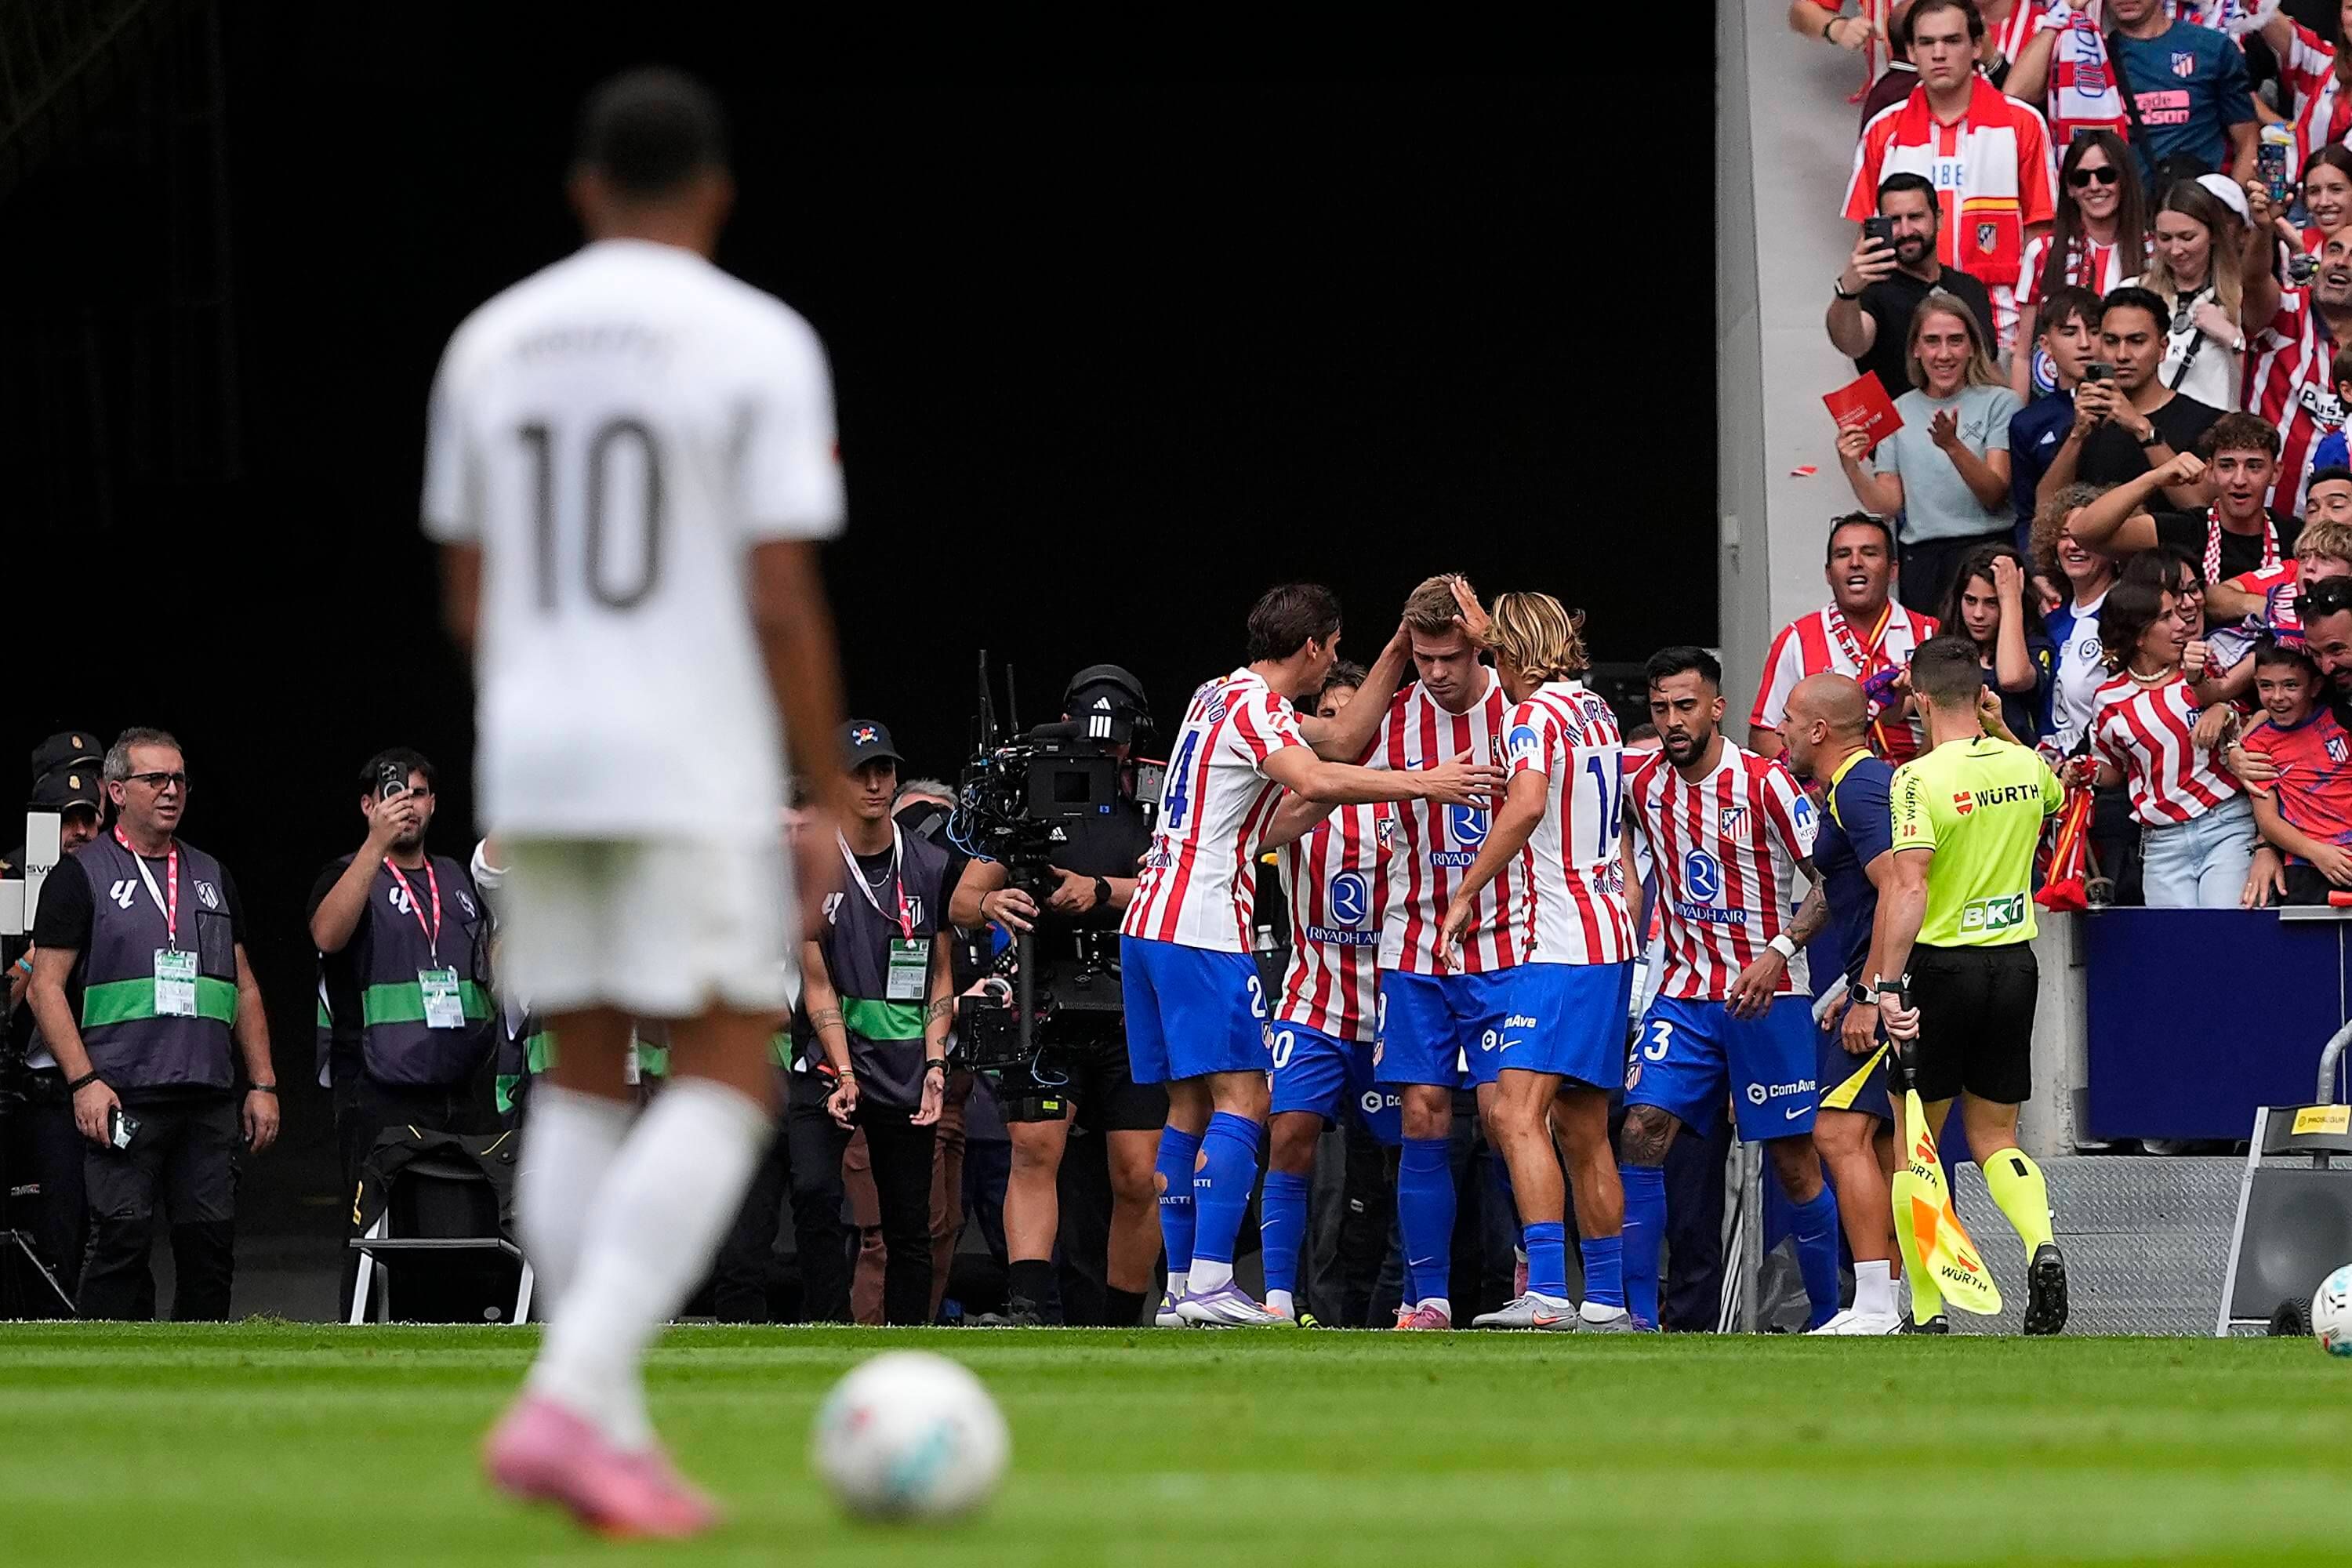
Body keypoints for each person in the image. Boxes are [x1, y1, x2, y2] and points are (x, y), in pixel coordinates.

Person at [436, 70, 854, 1537]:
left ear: (583, 189)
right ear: (718, 191)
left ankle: (598, 1424)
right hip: (683, 750)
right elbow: (779, 592)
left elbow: (472, 590)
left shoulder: (492, 341)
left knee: (583, 1069)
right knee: (731, 1068)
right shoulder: (756, 339)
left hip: (540, 752)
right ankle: (571, 1398)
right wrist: (825, 791)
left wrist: (544, 721)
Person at [1120, 582, 1497, 1328]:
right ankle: (1212, 1282)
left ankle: (1180, 1290)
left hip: (1151, 921)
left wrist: (1397, 647)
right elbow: (1318, 775)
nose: (1332, 664)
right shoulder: (1256, 708)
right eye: (1333, 649)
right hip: (1201, 925)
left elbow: (1343, 738)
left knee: (1189, 1104)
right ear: (1314, 647)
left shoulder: (1217, 694)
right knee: (1246, 1100)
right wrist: (1426, 782)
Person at [1620, 648, 1844, 1334]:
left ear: (1716, 708)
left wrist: (1779, 953)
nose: (1672, 720)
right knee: (1640, 1131)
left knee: (1794, 1163)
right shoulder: (1641, 784)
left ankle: (1831, 1319)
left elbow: (1829, 883)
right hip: (1684, 997)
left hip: (1769, 998)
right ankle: (1635, 1321)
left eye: (1685, 706)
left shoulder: (1765, 783)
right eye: (1660, 708)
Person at [1432, 590, 1639, 1334]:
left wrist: (1465, 891)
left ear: (1512, 652)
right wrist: (1496, 629)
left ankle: (1547, 1291)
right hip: (1610, 937)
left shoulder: (1530, 718)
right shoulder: (1596, 709)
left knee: (1514, 1113)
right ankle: (1607, 1301)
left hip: (1560, 941)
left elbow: (1524, 805)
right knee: (1583, 1128)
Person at [24, 728, 278, 1321]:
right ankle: (99, 1374)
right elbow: (44, 988)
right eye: (155, 779)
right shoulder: (80, 874)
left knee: (209, 1251)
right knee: (120, 1242)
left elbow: (243, 984)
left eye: (179, 779)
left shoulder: (211, 873)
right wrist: (84, 1082)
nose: (171, 790)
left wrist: (263, 1083)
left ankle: (201, 1375)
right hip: (122, 1094)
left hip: (206, 1098)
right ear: (116, 791)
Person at [948, 665, 1163, 1329]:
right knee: (1035, 1149)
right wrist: (993, 903)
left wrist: (1100, 891)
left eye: (1115, 739)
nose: (1105, 750)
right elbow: (961, 899)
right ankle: (1025, 1306)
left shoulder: (1157, 796)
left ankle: (1123, 1321)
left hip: (1131, 1001)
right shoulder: (1030, 791)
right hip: (1044, 995)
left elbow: (1182, 884)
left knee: (1138, 1173)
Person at [1875, 635, 2071, 1335]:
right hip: (2014, 965)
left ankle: (1928, 1312)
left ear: (1920, 700)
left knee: (1916, 1144)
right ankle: (2040, 1243)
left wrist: (1886, 987)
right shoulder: (2025, 765)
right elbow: (2052, 795)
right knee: (1996, 1137)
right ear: (1981, 695)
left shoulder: (1916, 779)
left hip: (1942, 967)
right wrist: (2003, 727)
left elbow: (1909, 886)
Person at [1352, 575, 1523, 1331]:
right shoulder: (1396, 717)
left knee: (1506, 1115)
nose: (1438, 672)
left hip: (1507, 941)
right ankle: (1428, 1299)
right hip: (1415, 944)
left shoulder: (1520, 709)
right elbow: (1332, 760)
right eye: (1424, 658)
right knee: (1421, 1115)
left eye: (1451, 656)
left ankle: (1534, 1276)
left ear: (1477, 646)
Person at [307, 747, 497, 1313]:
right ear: (368, 805)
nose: (407, 806)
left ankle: (442, 1338)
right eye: (394, 795)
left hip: (456, 1087)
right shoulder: (347, 872)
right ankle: (362, 1336)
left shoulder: (456, 877)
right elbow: (327, 935)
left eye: (417, 794)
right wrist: (376, 845)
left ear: (434, 803)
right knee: (373, 1229)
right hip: (376, 1089)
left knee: (450, 1230)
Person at [1254, 661, 1399, 1327]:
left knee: (1397, 1166)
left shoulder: (1405, 794)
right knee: (1289, 1135)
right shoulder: (1297, 799)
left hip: (1393, 1007)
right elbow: (1257, 833)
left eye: (1357, 717)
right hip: (1312, 1000)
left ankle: (1407, 1303)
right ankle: (1279, 1300)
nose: (1346, 730)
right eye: (1331, 718)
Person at [796, 721, 956, 1325]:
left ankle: (909, 1341)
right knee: (814, 1191)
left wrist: (936, 1064)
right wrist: (842, 1072)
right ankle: (825, 1329)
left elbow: (940, 973)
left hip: (907, 1063)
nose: (873, 784)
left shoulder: (931, 864)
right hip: (834, 1061)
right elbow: (817, 982)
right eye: (859, 772)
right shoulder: (812, 866)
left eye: (883, 770)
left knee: (910, 1225)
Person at [1779, 673, 1905, 1334]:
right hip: (1876, 982)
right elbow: (1857, 891)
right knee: (1881, 1142)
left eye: (1789, 720)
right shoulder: (1854, 787)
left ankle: (1876, 1303)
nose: (1782, 732)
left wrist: (1869, 994)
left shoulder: (1859, 788)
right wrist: (1844, 989)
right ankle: (1899, 1301)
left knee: (1835, 1132)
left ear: (1820, 729)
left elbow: (1898, 888)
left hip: (1887, 991)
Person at [1847, 0, 2059, 348]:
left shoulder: (2024, 124)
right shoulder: (1882, 130)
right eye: (1927, 43)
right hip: (1911, 336)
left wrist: (2025, 344)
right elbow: (1867, 238)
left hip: (2001, 330)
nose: (1939, 54)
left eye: (1952, 40)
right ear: (1911, 52)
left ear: (1977, 46)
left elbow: (2040, 240)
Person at [1838, 292, 2023, 612]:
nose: (1944, 354)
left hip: (1987, 552)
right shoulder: (1898, 410)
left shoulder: (2000, 402)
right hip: (1923, 561)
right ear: (1916, 349)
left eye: (1956, 341)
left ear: (1972, 347)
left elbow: (1995, 494)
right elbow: (1888, 504)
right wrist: (1852, 468)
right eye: (1932, 341)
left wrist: (1953, 446)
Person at [3, 748, 107, 1305]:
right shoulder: (9, 883)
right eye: (67, 821)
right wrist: (36, 954)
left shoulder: (117, 883)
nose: (80, 832)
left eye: (89, 818)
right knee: (53, 1232)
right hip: (39, 1094)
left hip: (112, 1077)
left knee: (115, 1229)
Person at [2082, 577, 2256, 906]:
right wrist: (2085, 770)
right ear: (2139, 636)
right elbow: (2115, 769)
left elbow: (2251, 730)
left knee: (2224, 931)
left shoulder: (2202, 669)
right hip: (2162, 845)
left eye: (2177, 613)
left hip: (2226, 826)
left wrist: (2223, 709)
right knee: (2175, 939)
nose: (2181, 624)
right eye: (2166, 617)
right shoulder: (2107, 699)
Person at [1751, 514, 1940, 765]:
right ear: (1828, 574)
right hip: (1830, 785)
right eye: (1843, 555)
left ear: (1893, 570)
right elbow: (1764, 734)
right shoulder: (1796, 640)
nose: (1855, 563)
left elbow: (1955, 724)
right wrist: (1810, 779)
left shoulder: (1928, 634)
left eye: (1869, 553)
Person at [2036, 285, 2222, 504]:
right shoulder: (2089, 422)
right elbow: (2045, 507)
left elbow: (2198, 507)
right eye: (2111, 341)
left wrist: (2142, 428)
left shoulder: (2206, 423)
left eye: (2137, 341)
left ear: (2163, 348)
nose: (2122, 355)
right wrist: (2076, 436)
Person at [1830, 172, 2000, 401]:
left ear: (1938, 219)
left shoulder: (1970, 288)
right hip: (1901, 422)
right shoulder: (1874, 290)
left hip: (1973, 421)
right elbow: (1851, 344)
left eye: (1915, 217)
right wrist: (1847, 292)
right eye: (1894, 220)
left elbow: (1989, 366)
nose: (1906, 230)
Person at [2067, 423, 2303, 587]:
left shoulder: (2296, 537)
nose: (2239, 480)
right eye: (2227, 466)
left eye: (2254, 466)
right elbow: (2083, 533)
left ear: (2275, 473)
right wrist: (2154, 478)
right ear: (2210, 470)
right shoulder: (2187, 529)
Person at [2013, 132, 2151, 400]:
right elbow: (2023, 354)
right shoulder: (2042, 251)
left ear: (2125, 180)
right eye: (2082, 178)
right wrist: (2019, 419)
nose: (2094, 186)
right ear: (2070, 189)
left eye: (2106, 175)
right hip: (2061, 404)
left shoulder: (2154, 250)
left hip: (2137, 401)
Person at [2244, 227, 2352, 519]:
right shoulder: (2285, 311)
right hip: (2265, 518)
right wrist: (2262, 227)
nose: (2341, 262)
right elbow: (2253, 281)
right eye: (2334, 250)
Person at [2123, 180, 2252, 414]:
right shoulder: (2132, 294)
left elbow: (2266, 384)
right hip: (2148, 430)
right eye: (2165, 238)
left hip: (2219, 431)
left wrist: (2233, 339)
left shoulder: (2244, 297)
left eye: (2187, 237)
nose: (2175, 250)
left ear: (2213, 235)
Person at [2239, 640, 2352, 903]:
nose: (2278, 697)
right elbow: (2268, 821)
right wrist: (2316, 852)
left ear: (2315, 686)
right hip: (2305, 865)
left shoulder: (2342, 720)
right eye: (2266, 686)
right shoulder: (2257, 745)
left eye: (2291, 685)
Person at [2102, 0, 2259, 188]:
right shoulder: (2092, 56)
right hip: (2126, 202)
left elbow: (2248, 141)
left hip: (2197, 200)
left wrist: (2231, 203)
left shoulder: (2213, 48)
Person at [2034, 482, 2127, 750]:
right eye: (2065, 536)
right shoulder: (2050, 620)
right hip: (2050, 764)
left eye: (2087, 538)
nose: (2074, 546)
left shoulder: (2126, 616)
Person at [2009, 285, 2105, 535]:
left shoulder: (2127, 409)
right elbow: (2027, 514)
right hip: (2052, 545)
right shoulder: (2027, 422)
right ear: (2046, 345)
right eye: (2070, 333)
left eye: (2094, 331)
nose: (2084, 344)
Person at [1940, 543, 2056, 742]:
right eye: (1970, 600)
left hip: (2016, 758)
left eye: (1992, 603)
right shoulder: (1944, 649)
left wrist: (2010, 596)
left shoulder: (2035, 646)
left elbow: (2012, 678)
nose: (1978, 614)